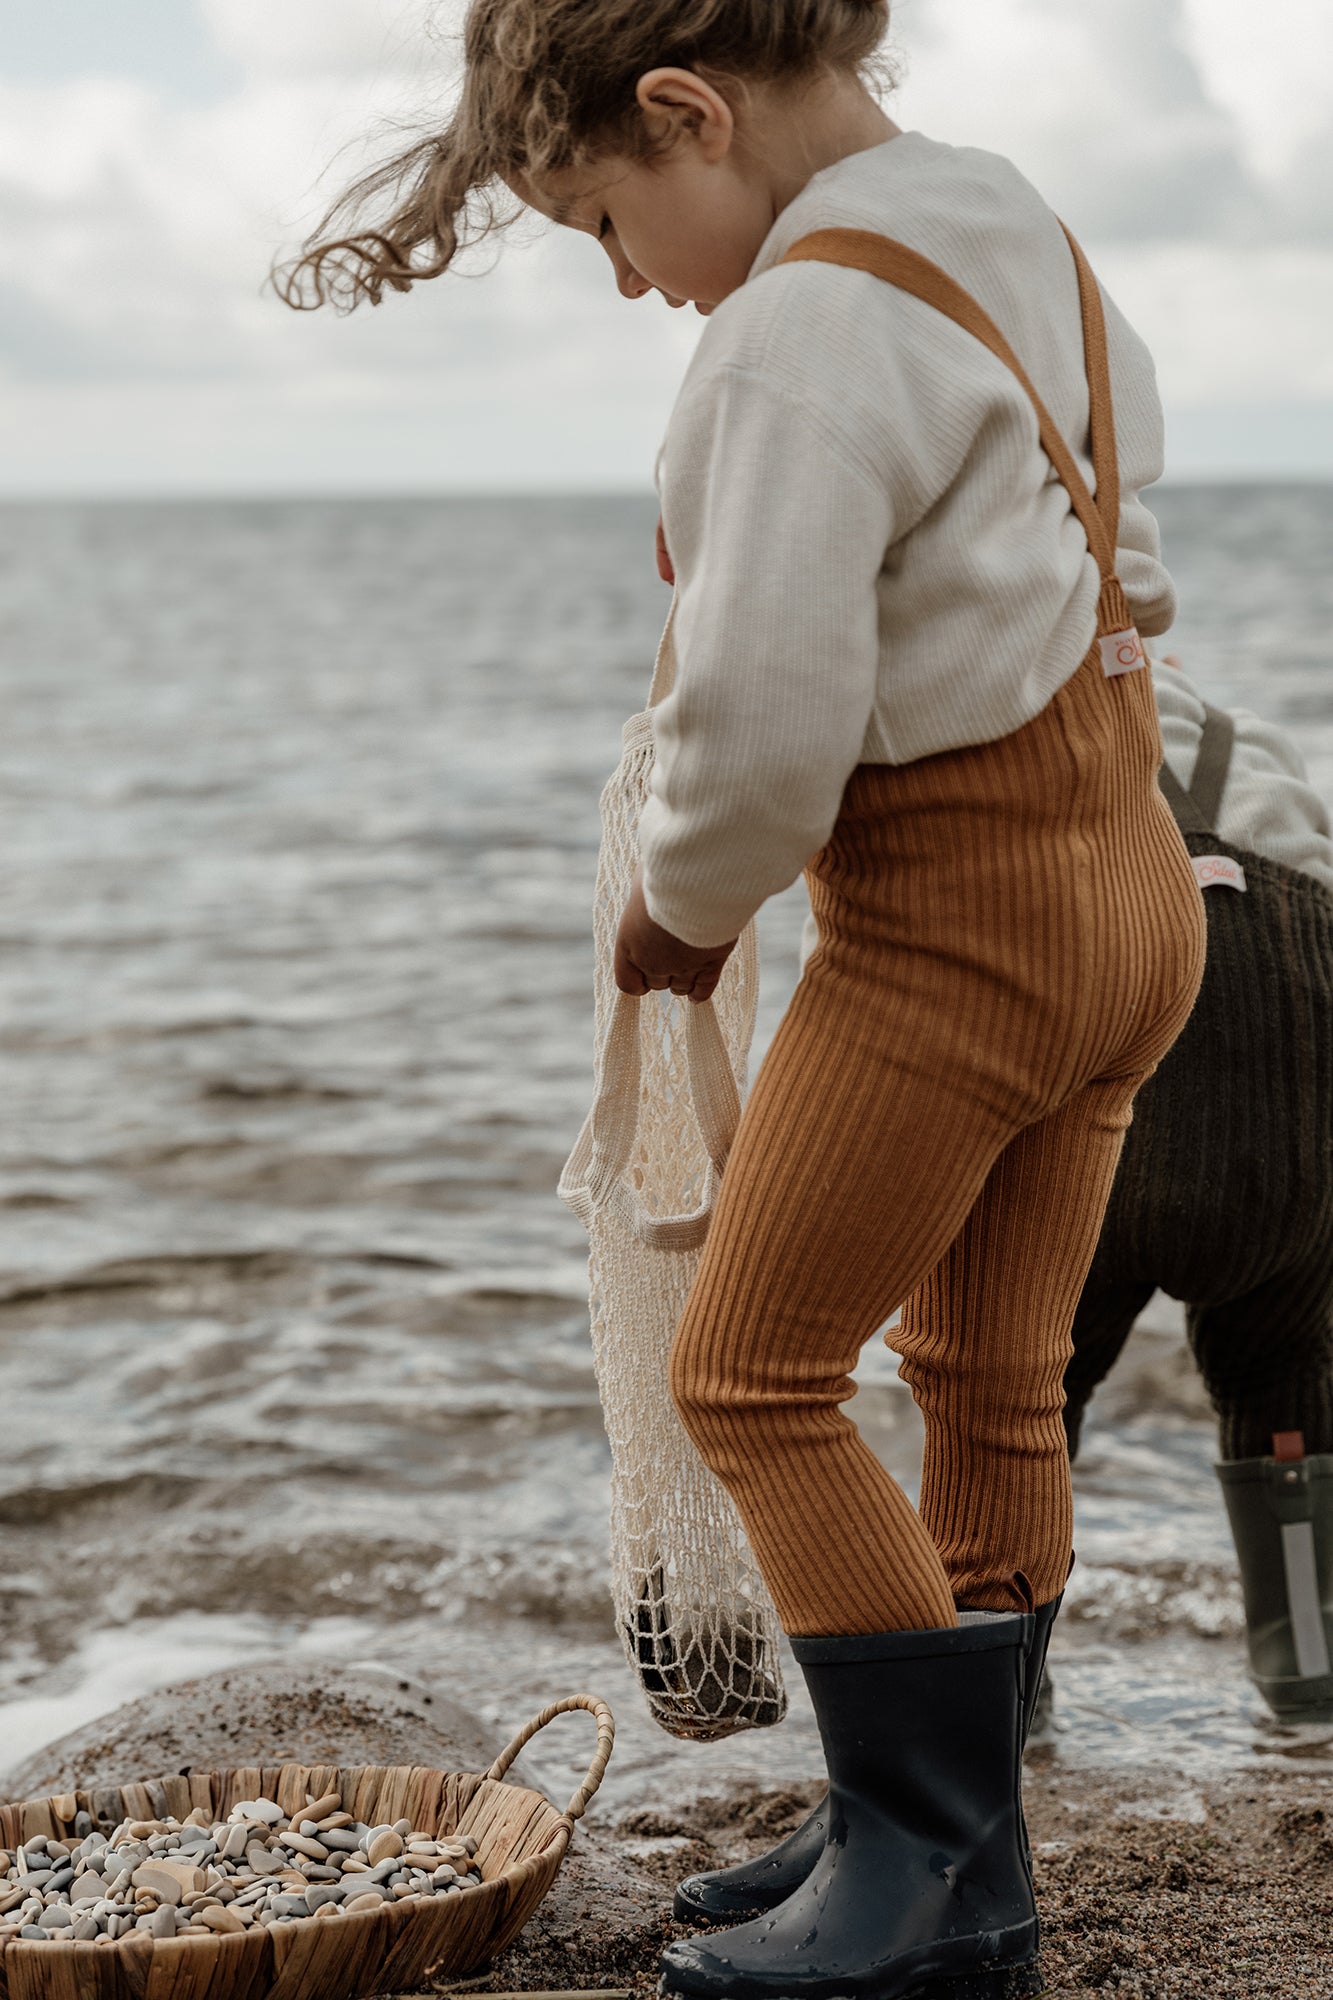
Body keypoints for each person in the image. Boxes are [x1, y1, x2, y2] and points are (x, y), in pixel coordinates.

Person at [282, 4, 1206, 1994]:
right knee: (982, 1381)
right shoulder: (1016, 226)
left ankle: (917, 1861)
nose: (629, 282)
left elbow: (766, 721)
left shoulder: (788, 334)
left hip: (957, 927)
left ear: (691, 113)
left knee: (752, 1377)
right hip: (1125, 889)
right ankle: (959, 1847)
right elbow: (1126, 558)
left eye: (610, 222)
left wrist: (676, 921)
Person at [1063, 655, 1333, 1726]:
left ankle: (997, 1695)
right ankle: (1306, 1683)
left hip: (1114, 1130)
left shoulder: (1045, 722)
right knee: (1285, 1391)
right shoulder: (1258, 749)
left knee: (1022, 1389)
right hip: (1287, 1147)